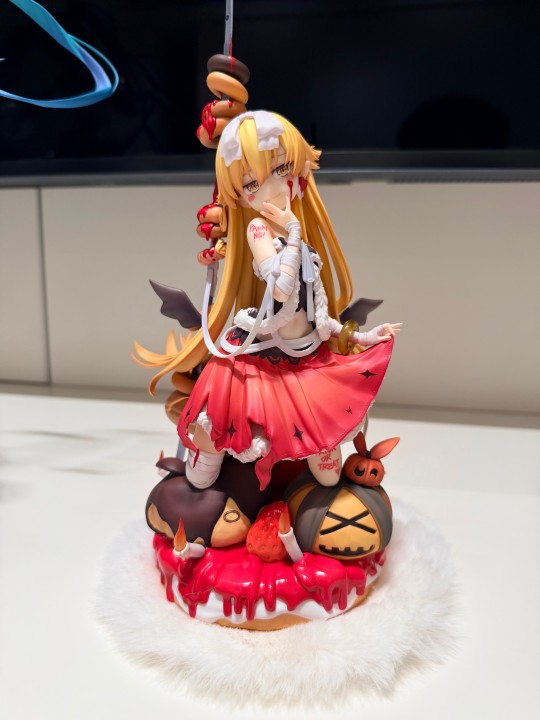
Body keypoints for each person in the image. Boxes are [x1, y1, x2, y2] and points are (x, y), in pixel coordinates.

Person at [139, 111, 400, 491]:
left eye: (281, 169)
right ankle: (207, 460)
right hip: (260, 352)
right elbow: (280, 287)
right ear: (240, 194)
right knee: (209, 455)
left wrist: (364, 337)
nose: (272, 187)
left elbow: (316, 312)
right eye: (251, 183)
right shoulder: (258, 228)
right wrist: (292, 231)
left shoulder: (303, 241)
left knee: (328, 474)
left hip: (305, 354)